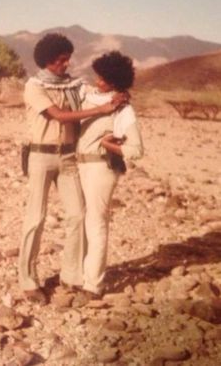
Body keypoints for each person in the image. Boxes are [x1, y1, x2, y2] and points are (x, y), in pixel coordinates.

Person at [18, 34, 127, 305]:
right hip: (40, 157)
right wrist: (102, 109)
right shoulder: (34, 86)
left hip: (68, 157)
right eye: (60, 60)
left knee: (78, 216)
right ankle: (28, 279)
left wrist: (120, 93)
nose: (66, 64)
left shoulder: (73, 85)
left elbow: (97, 94)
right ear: (47, 61)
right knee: (36, 218)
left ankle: (71, 274)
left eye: (67, 59)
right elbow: (58, 115)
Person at [76, 51, 144, 298]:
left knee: (96, 223)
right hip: (79, 166)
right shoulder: (89, 95)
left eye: (103, 78)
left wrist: (109, 146)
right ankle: (79, 276)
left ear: (115, 81)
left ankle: (93, 285)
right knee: (79, 221)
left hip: (100, 169)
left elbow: (136, 150)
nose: (97, 81)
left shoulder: (123, 110)